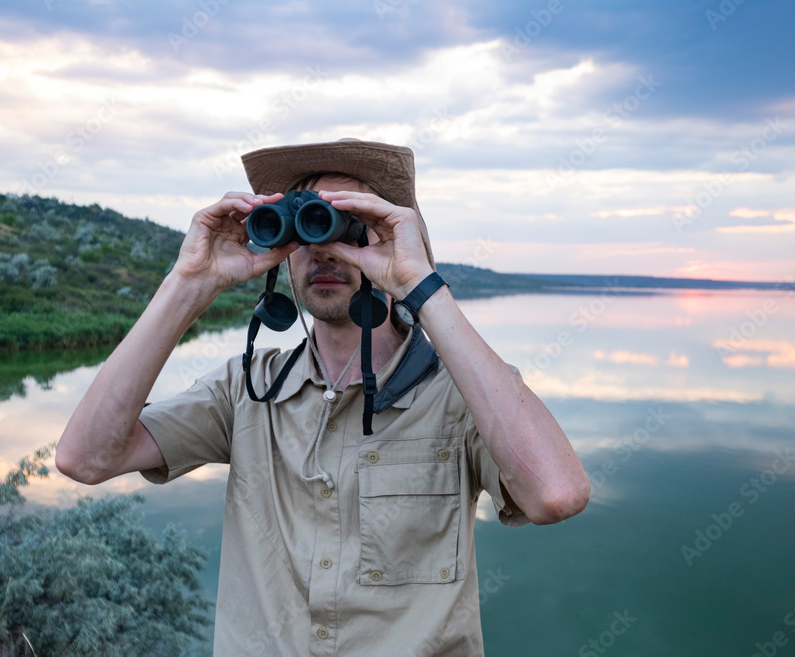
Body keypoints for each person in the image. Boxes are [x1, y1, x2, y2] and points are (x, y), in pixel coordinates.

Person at [56, 139, 590, 655]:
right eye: (304, 223)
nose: (322, 249)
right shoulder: (245, 389)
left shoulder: (463, 396)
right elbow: (86, 458)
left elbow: (556, 494)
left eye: (347, 223)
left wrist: (419, 283)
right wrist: (189, 282)